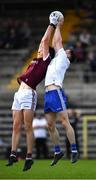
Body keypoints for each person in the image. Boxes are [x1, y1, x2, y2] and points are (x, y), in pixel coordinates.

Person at [6, 13, 60, 171]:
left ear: (47, 53)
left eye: (42, 49)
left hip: (29, 94)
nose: (39, 49)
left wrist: (52, 24)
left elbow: (44, 41)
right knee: (16, 126)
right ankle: (13, 154)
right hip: (19, 93)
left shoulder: (45, 60)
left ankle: (29, 156)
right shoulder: (35, 60)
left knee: (27, 126)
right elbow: (42, 45)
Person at [44, 14, 79, 166]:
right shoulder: (59, 57)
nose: (66, 50)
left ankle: (74, 150)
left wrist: (58, 25)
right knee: (50, 125)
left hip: (56, 91)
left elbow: (57, 41)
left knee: (64, 122)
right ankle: (58, 151)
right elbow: (54, 42)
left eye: (68, 50)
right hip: (48, 93)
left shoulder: (64, 59)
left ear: (69, 56)